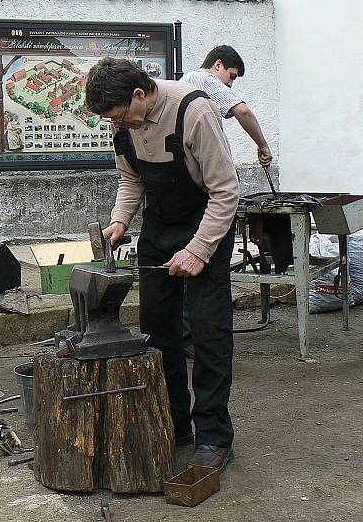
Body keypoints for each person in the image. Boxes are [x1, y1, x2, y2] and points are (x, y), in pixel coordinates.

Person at [85, 58, 239, 473]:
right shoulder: (124, 126)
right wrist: (119, 221)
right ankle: (175, 422)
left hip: (206, 222)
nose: (119, 126)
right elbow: (131, 179)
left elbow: (226, 191)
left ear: (139, 94)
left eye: (120, 117)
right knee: (158, 331)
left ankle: (214, 436)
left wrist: (199, 250)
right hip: (159, 226)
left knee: (208, 332)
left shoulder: (194, 111)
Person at [180, 45, 273, 166]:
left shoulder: (187, 78)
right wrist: (263, 146)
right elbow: (243, 111)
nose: (230, 84)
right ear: (218, 65)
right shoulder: (206, 79)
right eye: (231, 76)